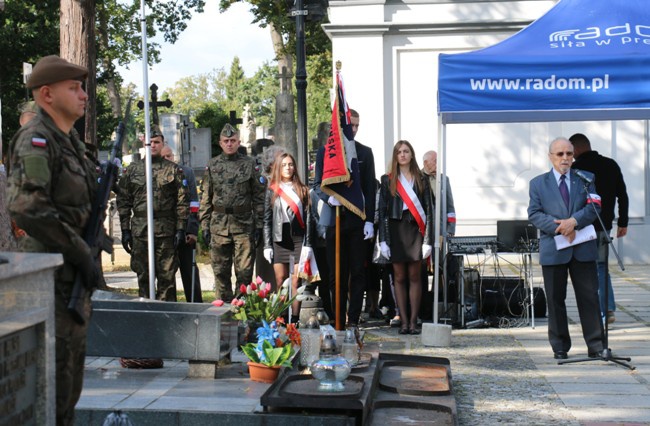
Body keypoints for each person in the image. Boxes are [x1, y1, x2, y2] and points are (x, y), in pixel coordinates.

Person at [7, 55, 99, 425]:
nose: (84, 96)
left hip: (71, 280)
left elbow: (80, 205)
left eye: (83, 88)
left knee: (69, 386)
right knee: (52, 390)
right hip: (51, 282)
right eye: (74, 88)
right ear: (47, 94)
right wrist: (80, 252)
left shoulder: (70, 141)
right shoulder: (37, 140)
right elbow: (28, 207)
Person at [528, 137, 604, 360]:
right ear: (550, 156)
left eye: (569, 154)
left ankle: (596, 345)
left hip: (582, 248)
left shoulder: (586, 179)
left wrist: (574, 221)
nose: (565, 158)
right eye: (560, 154)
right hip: (554, 248)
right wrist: (561, 227)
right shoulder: (537, 183)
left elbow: (594, 207)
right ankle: (560, 346)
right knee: (555, 299)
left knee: (589, 297)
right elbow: (534, 213)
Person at [312, 108, 376, 328]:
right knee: (335, 274)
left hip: (357, 220)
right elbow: (317, 184)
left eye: (357, 125)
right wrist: (330, 199)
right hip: (335, 220)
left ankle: (354, 318)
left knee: (358, 272)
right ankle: (338, 318)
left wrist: (369, 221)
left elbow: (369, 187)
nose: (354, 129)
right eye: (351, 125)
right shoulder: (325, 153)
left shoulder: (365, 153)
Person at [116, 126, 189, 301]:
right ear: (143, 143)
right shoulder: (132, 170)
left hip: (166, 232)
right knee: (143, 277)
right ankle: (146, 316)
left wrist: (181, 229)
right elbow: (123, 201)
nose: (153, 146)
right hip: (141, 231)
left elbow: (182, 202)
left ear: (162, 143)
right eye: (149, 142)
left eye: (156, 142)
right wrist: (125, 230)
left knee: (167, 278)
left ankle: (167, 318)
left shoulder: (173, 170)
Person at [199, 123, 266, 301]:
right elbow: (206, 197)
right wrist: (204, 226)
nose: (229, 144)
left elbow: (259, 197)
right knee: (221, 272)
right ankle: (224, 313)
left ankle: (242, 313)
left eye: (233, 140)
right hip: (219, 226)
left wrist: (259, 225)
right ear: (220, 143)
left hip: (244, 226)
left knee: (244, 273)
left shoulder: (250, 165)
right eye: (226, 141)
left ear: (239, 142)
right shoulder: (212, 165)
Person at [570, 133, 629, 324]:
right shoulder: (611, 164)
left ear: (577, 149)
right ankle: (608, 309)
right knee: (602, 267)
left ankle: (595, 311)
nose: (569, 156)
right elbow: (623, 195)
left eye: (570, 152)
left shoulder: (576, 169)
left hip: (583, 226)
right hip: (604, 226)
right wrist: (623, 222)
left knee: (585, 268)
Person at [378, 140, 433, 335]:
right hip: (395, 229)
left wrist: (428, 240)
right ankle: (402, 320)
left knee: (415, 276)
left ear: (412, 155)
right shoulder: (387, 180)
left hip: (415, 229)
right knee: (399, 277)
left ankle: (413, 321)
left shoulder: (421, 179)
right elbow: (382, 211)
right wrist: (382, 240)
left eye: (406, 151)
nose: (402, 155)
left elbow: (429, 211)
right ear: (395, 156)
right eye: (399, 152)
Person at [263, 153, 313, 320]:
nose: (288, 168)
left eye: (290, 164)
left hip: (298, 238)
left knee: (295, 283)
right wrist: (267, 245)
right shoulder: (272, 190)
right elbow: (267, 220)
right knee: (280, 281)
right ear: (278, 167)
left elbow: (308, 219)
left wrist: (308, 244)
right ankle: (282, 318)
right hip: (279, 239)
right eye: (284, 165)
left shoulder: (303, 189)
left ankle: (295, 321)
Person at [161, 145, 203, 302]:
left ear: (174, 157)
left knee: (189, 272)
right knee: (166, 274)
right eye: (163, 156)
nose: (167, 159)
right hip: (164, 232)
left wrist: (192, 230)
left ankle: (196, 305)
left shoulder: (186, 172)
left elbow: (193, 204)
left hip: (185, 231)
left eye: (169, 156)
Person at [421, 150, 457, 322]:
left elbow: (450, 206)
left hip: (441, 232)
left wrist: (450, 228)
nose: (437, 163)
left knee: (441, 269)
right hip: (422, 232)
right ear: (426, 162)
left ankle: (440, 301)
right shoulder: (418, 177)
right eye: (434, 160)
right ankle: (423, 306)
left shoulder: (445, 179)